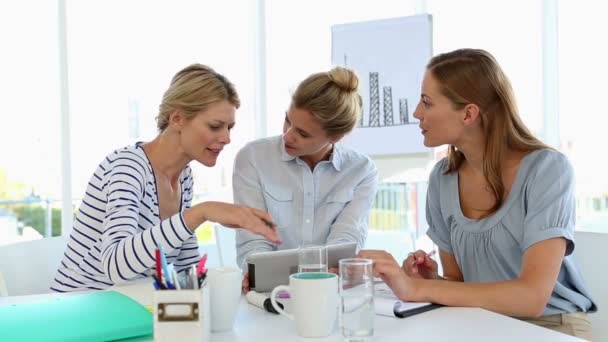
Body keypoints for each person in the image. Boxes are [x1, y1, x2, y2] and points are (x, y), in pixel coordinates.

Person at [358, 49, 596, 340]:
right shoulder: (442, 179)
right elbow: (460, 282)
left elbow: (532, 297)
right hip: (479, 324)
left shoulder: (547, 170)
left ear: (469, 113)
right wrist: (433, 280)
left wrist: (417, 288)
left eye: (427, 102)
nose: (416, 113)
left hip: (552, 326)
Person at [52, 64, 280, 292]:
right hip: (81, 312)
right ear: (177, 119)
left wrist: (228, 284)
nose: (226, 138)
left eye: (230, 128)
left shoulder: (184, 177)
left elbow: (183, 271)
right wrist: (201, 213)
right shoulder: (128, 166)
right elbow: (116, 265)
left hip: (134, 310)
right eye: (215, 126)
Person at [234, 67, 378, 290]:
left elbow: (346, 240)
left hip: (330, 291)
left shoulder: (361, 171)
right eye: (287, 120)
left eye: (302, 133)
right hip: (269, 292)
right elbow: (253, 240)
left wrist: (330, 275)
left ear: (335, 136)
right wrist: (256, 273)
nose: (287, 135)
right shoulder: (253, 158)